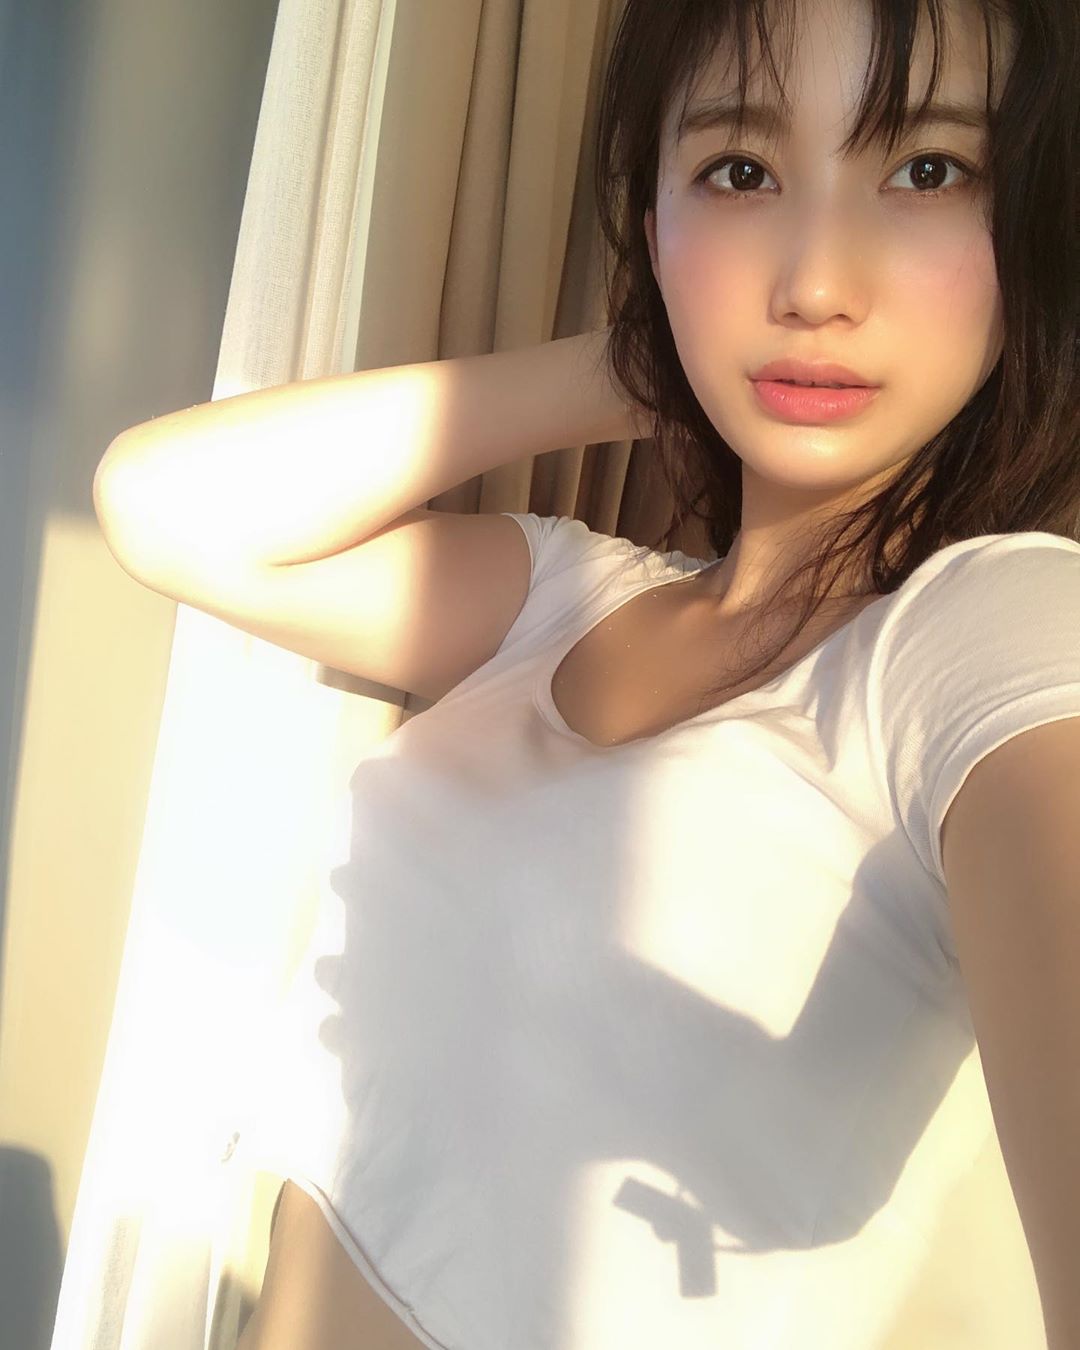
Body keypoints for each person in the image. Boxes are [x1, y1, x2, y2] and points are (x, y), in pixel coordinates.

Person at [93, 0, 1079, 1344]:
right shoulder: (566, 594)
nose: (815, 283)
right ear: (652, 219)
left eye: (926, 168)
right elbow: (162, 510)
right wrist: (633, 361)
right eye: (740, 170)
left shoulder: (995, 634)